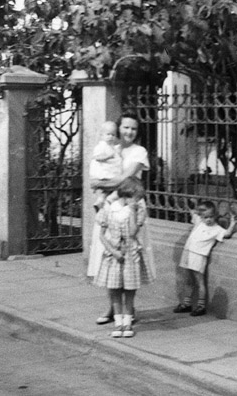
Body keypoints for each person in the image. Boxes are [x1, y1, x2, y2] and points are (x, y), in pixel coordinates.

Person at [91, 112, 153, 325]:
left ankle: (129, 310)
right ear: (119, 129)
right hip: (110, 207)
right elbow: (96, 169)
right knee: (109, 258)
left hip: (131, 207)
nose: (129, 132)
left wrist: (100, 184)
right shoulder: (111, 148)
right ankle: (112, 309)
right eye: (125, 127)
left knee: (128, 259)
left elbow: (125, 180)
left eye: (133, 128)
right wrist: (99, 184)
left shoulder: (139, 152)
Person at [94, 177, 154, 337]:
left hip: (130, 254)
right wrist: (113, 251)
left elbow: (133, 232)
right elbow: (101, 235)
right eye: (137, 198)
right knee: (114, 289)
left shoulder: (137, 210)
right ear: (127, 194)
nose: (138, 201)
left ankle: (127, 323)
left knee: (129, 290)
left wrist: (133, 211)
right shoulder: (109, 208)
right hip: (113, 254)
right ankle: (118, 322)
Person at [174, 200, 236, 316]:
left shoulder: (216, 229)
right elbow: (193, 211)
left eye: (211, 217)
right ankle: (187, 304)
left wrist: (232, 223)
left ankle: (201, 306)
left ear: (215, 216)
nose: (208, 220)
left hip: (199, 255)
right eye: (206, 217)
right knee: (188, 279)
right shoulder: (199, 222)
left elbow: (226, 234)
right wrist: (194, 205)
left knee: (199, 281)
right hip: (188, 251)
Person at [89, 121, 122, 212]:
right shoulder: (101, 146)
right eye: (108, 134)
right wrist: (108, 157)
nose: (111, 137)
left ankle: (100, 201)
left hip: (110, 173)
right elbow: (97, 158)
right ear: (102, 135)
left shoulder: (112, 146)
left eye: (113, 135)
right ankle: (109, 199)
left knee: (107, 190)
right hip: (103, 174)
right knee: (119, 186)